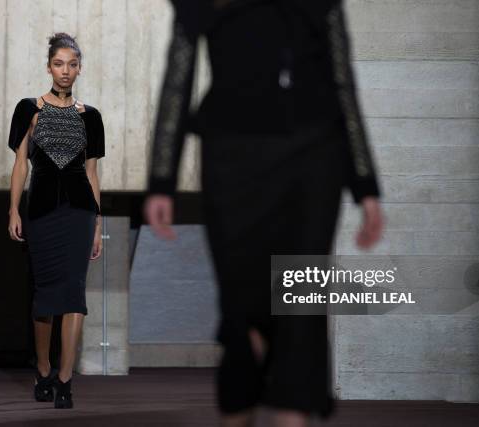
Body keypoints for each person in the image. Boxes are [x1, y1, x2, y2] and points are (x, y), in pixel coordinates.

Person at [144, 1, 384, 426]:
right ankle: (243, 388)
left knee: (299, 306)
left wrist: (365, 185)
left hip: (313, 155)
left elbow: (341, 80)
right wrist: (162, 180)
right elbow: (178, 76)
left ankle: (291, 407)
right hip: (234, 159)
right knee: (242, 309)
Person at [7, 32, 105, 409]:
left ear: (80, 69)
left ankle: (65, 381)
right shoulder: (28, 109)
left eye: (73, 64)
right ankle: (43, 367)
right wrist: (13, 209)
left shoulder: (91, 117)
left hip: (80, 212)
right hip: (42, 211)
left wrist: (97, 224)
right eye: (59, 64)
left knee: (74, 294)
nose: (66, 71)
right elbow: (19, 165)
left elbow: (93, 174)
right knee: (45, 296)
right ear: (49, 67)